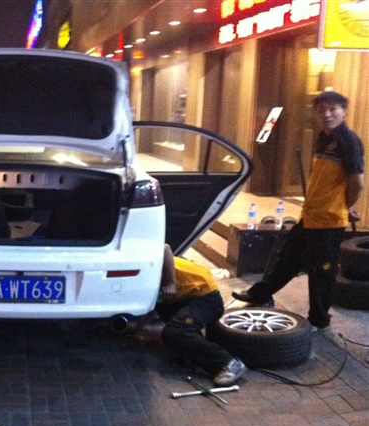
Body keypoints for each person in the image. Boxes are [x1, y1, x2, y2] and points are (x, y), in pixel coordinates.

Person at [233, 91, 365, 331]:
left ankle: (319, 320)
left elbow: (357, 181)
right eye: (321, 109)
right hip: (311, 215)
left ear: (344, 111)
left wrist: (346, 206)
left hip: (329, 221)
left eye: (333, 109)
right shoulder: (324, 138)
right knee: (288, 258)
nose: (326, 114)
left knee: (321, 271)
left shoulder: (348, 141)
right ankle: (260, 294)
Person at [156, 244, 246, 386]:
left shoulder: (144, 255)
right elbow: (154, 302)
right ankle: (191, 353)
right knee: (165, 310)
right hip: (186, 297)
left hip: (206, 298)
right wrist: (138, 327)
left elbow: (165, 248)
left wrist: (171, 283)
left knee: (175, 331)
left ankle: (229, 363)